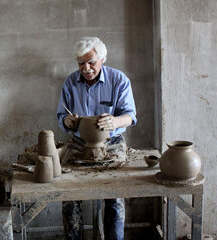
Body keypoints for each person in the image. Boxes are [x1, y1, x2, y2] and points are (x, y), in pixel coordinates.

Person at [57, 37, 137, 240]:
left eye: (91, 62)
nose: (86, 68)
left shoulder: (119, 80)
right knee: (69, 195)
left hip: (112, 142)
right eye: (81, 63)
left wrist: (115, 122)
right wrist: (67, 121)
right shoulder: (70, 82)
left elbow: (130, 116)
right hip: (78, 142)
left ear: (102, 59)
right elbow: (61, 117)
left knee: (115, 196)